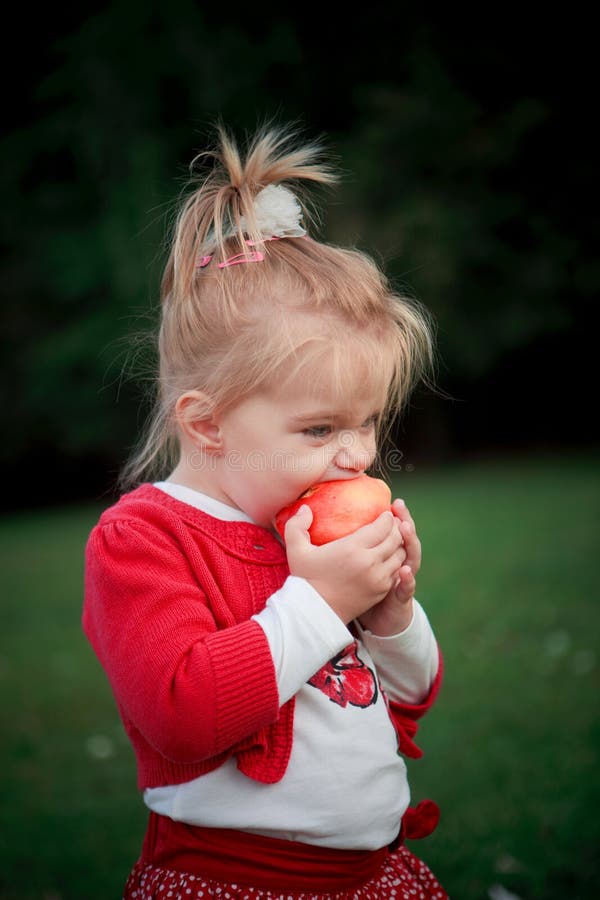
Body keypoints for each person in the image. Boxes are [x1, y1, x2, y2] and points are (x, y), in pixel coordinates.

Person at [83, 123, 447, 899]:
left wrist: (390, 616)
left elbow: (414, 694)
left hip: (374, 874)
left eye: (369, 422)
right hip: (238, 881)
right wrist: (319, 601)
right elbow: (183, 715)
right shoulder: (142, 539)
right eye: (320, 429)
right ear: (207, 422)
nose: (356, 455)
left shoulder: (300, 518)